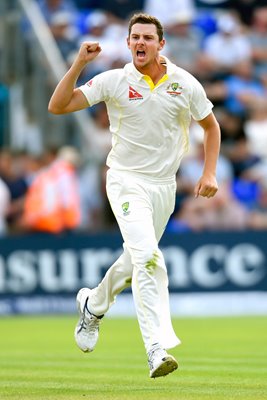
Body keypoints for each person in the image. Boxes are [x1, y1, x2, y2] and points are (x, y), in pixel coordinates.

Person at [48, 13, 220, 378]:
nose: (140, 43)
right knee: (149, 258)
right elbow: (58, 106)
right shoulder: (114, 80)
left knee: (136, 262)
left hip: (164, 187)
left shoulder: (184, 83)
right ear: (127, 44)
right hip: (125, 181)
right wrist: (78, 63)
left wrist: (208, 172)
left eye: (147, 37)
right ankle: (155, 348)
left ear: (161, 44)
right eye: (134, 38)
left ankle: (93, 304)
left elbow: (211, 125)